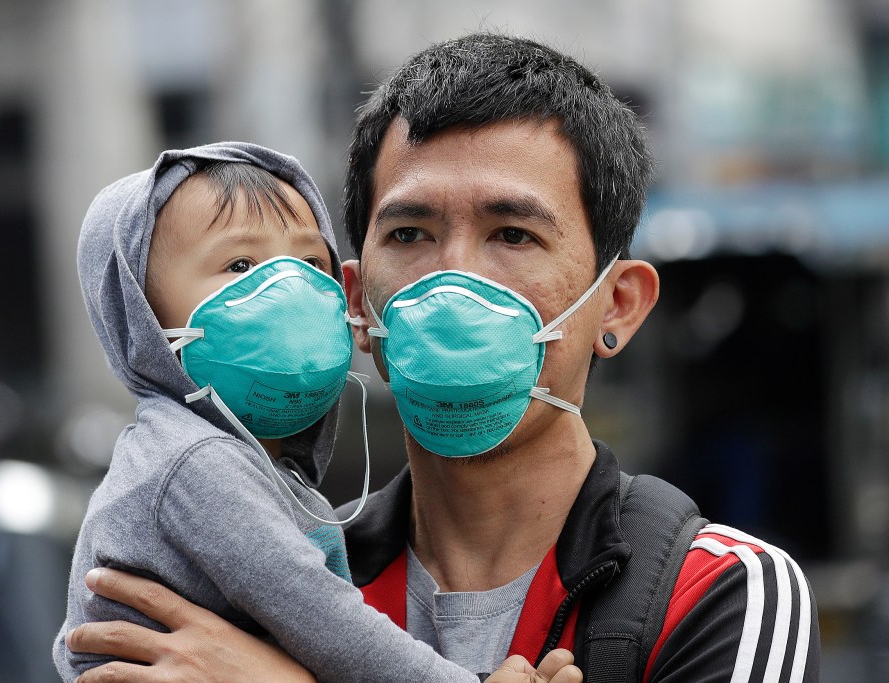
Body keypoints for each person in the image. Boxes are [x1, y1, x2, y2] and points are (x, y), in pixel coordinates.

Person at [65, 34, 821, 682]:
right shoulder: (278, 580)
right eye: (410, 235)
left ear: (617, 303)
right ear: (354, 303)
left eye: (513, 234)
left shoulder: (718, 591)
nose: (451, 278)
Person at [54, 140, 580, 683]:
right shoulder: (195, 463)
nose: (291, 289)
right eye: (240, 264)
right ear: (141, 315)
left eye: (309, 262)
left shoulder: (245, 465)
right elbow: (324, 620)